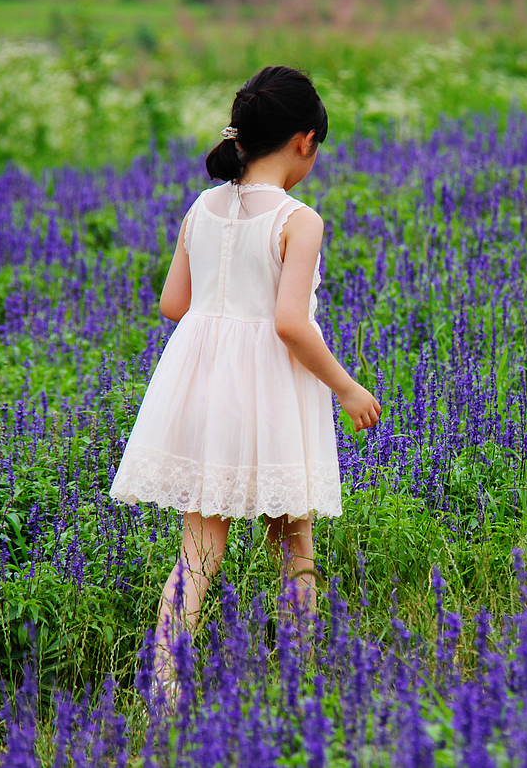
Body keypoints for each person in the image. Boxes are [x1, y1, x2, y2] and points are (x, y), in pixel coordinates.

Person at [108, 65, 381, 706]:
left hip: (203, 387)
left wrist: (222, 313)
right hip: (274, 396)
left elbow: (174, 304)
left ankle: (165, 691)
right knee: (295, 543)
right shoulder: (299, 219)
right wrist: (345, 388)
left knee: (198, 554)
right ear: (304, 141)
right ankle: (299, 685)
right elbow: (289, 322)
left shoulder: (201, 207)